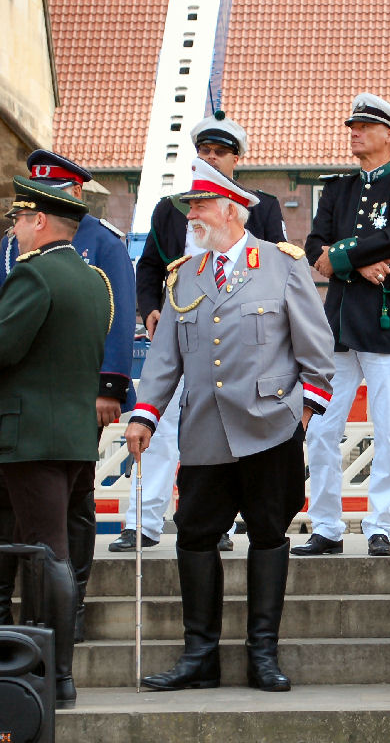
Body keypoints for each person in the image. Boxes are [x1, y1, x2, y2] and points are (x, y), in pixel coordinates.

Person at [124, 159, 334, 692]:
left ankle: (263, 655)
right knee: (195, 536)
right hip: (204, 429)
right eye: (190, 207)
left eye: (199, 206)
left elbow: (316, 351)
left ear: (231, 210)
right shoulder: (184, 275)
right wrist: (145, 414)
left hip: (271, 427)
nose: (191, 216)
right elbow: (165, 357)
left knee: (268, 534)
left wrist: (302, 416)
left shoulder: (282, 265)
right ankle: (200, 656)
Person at [111, 110, 286, 553]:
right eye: (204, 150)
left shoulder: (260, 208)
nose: (210, 157)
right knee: (156, 421)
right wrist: (151, 308)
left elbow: (278, 272)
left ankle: (220, 524)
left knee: (227, 430)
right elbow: (151, 266)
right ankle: (142, 522)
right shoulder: (170, 209)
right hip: (181, 329)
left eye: (219, 152)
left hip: (238, 340)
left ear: (236, 159)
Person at [0, 150, 136, 643]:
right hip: (38, 412)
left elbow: (119, 319)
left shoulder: (99, 245)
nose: (17, 224)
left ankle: (63, 622)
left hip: (52, 410)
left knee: (62, 523)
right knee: (20, 519)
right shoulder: (18, 248)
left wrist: (109, 386)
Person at [298, 93, 390, 557]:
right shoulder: (337, 188)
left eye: (364, 127)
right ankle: (326, 526)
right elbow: (313, 245)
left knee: (389, 426)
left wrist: (341, 258)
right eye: (352, 126)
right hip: (338, 320)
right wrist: (357, 263)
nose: (354, 132)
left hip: (385, 314)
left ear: (389, 135)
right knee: (321, 428)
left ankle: (381, 525)